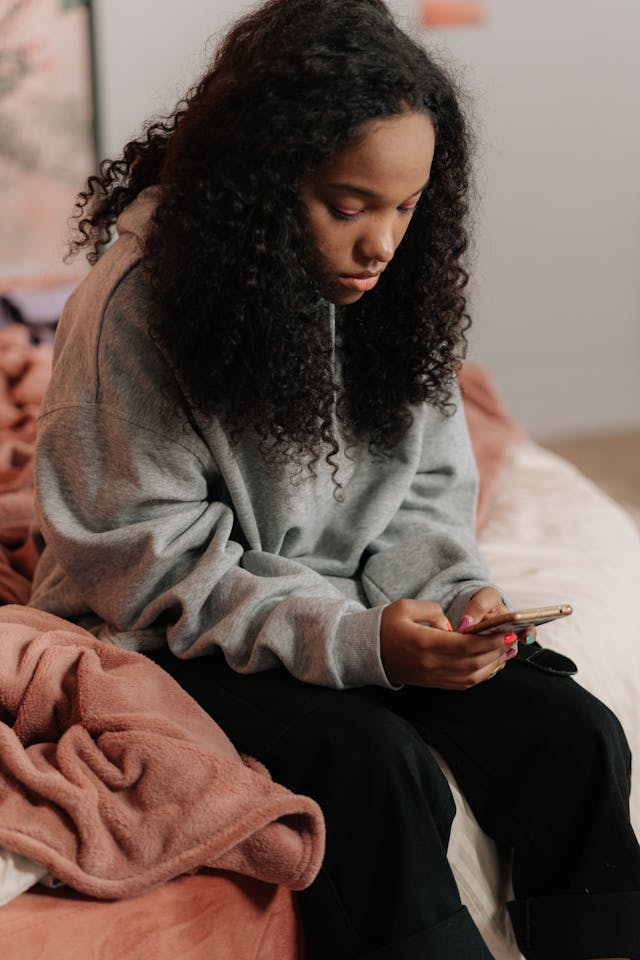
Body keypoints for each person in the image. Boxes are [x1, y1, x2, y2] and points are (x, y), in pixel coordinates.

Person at [29, 1, 640, 957]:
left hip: (351, 613)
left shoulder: (390, 292)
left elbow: (428, 494)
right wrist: (359, 643)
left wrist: (454, 597)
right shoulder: (133, 314)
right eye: (349, 206)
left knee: (573, 733)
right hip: (168, 633)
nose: (384, 245)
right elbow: (148, 567)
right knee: (379, 767)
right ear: (257, 188)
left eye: (408, 206)